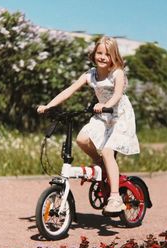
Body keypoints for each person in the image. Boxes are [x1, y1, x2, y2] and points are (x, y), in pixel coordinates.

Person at [37, 36, 140, 213]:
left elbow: (116, 95)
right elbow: (69, 90)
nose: (102, 57)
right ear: (94, 54)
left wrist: (106, 105)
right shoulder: (90, 75)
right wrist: (49, 106)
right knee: (82, 139)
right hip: (102, 116)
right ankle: (99, 162)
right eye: (99, 53)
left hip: (119, 116)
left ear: (113, 57)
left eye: (107, 54)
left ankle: (115, 197)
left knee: (108, 151)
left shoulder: (117, 73)